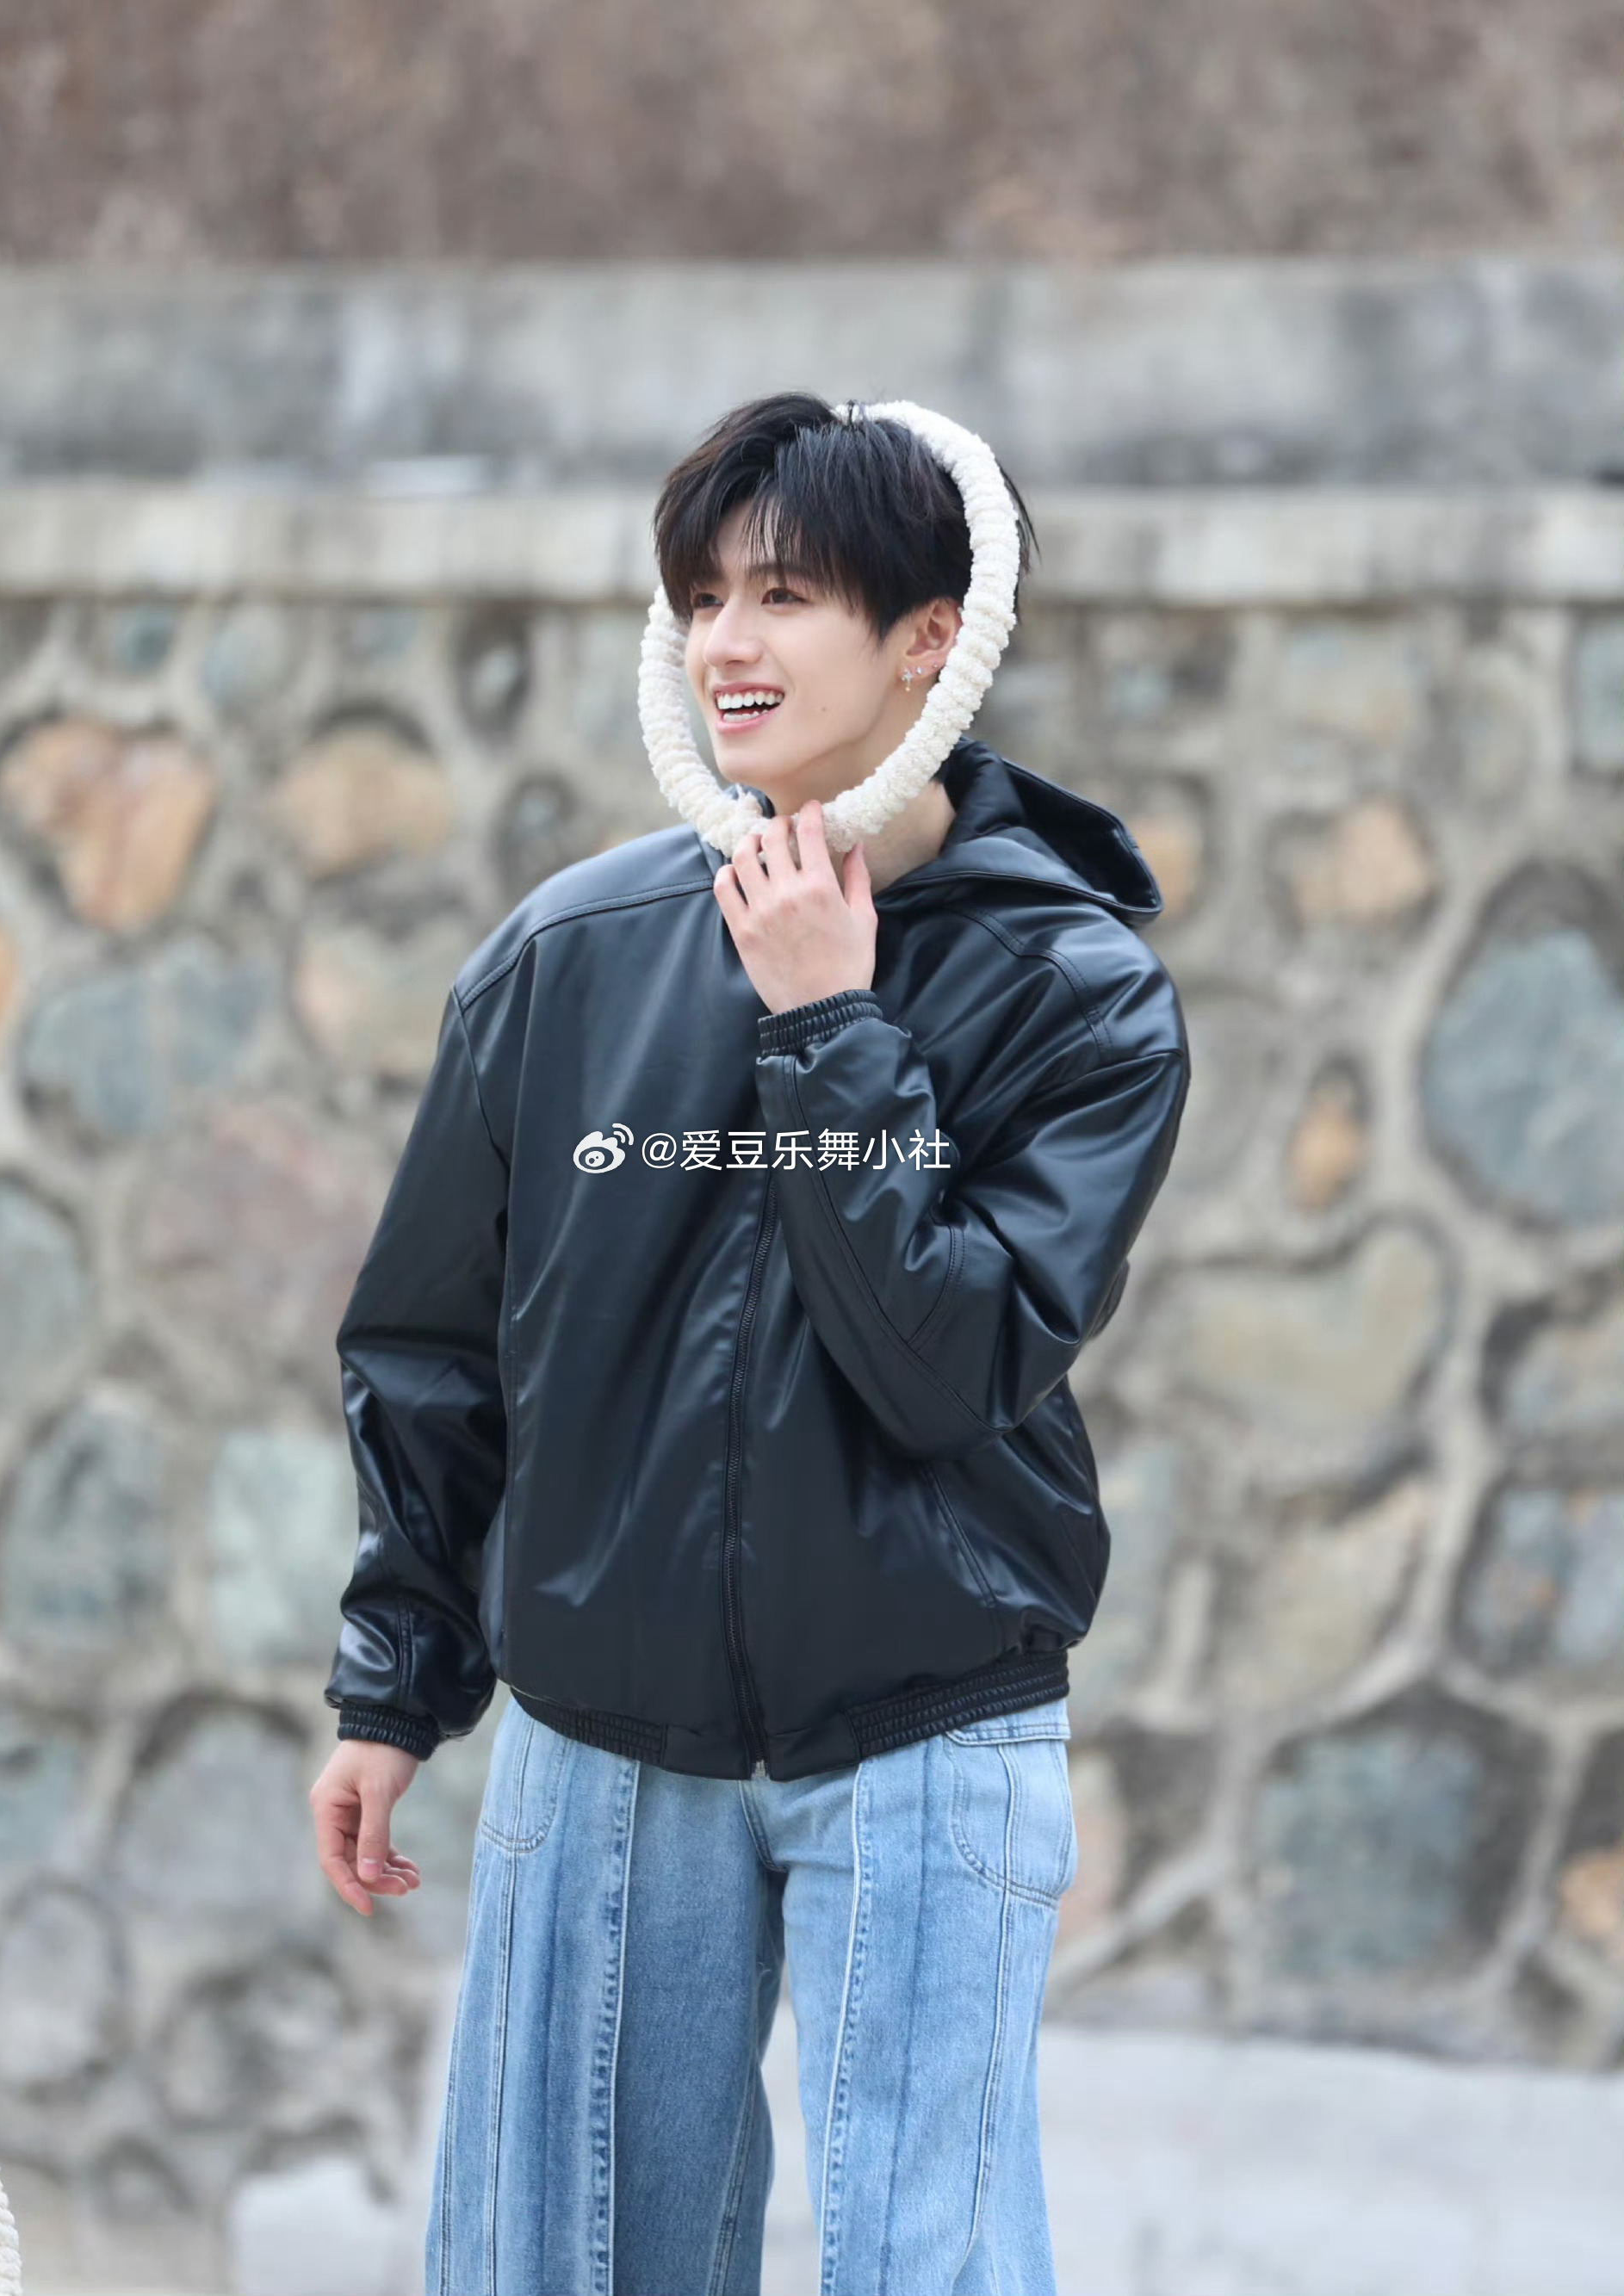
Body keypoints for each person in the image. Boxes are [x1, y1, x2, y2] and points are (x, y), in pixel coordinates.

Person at [309, 392, 1190, 2296]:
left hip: (930, 1724)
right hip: (604, 1735)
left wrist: (826, 1030)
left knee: (935, 2263)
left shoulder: (1077, 991)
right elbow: (436, 1347)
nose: (726, 641)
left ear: (929, 637)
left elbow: (952, 1364)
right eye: (702, 595)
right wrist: (396, 1682)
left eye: (783, 595)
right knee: (563, 2262)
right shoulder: (570, 953)